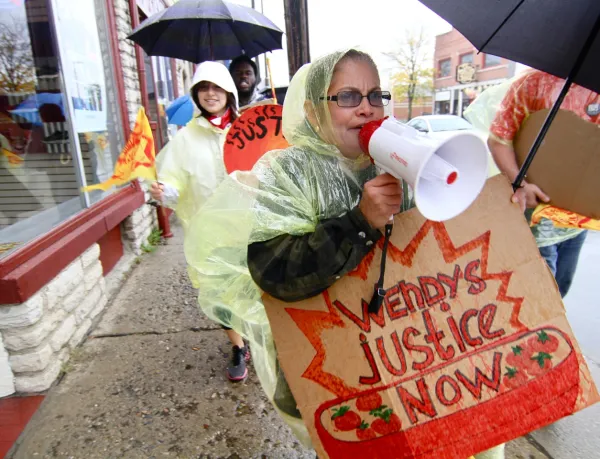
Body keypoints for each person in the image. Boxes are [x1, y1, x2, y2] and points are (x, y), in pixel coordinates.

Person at [185, 49, 503, 458]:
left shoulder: (400, 161)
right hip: (335, 374)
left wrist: (507, 205)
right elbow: (276, 272)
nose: (367, 108)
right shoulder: (289, 172)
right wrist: (359, 222)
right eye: (348, 97)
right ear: (313, 111)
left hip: (408, 358)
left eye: (375, 95)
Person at [149, 61, 250, 382]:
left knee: (254, 288)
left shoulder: (247, 130)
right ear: (195, 94)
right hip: (208, 234)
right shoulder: (185, 139)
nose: (211, 93)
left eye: (217, 87)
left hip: (249, 227)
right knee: (218, 293)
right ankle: (238, 346)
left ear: (229, 92)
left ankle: (264, 339)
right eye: (204, 87)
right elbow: (173, 183)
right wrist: (164, 191)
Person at [488, 69, 599, 298]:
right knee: (537, 294)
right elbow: (499, 139)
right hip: (537, 213)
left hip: (579, 220)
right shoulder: (534, 83)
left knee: (560, 288)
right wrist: (520, 183)